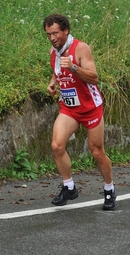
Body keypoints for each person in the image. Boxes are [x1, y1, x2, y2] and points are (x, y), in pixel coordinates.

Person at [43, 14, 116, 210]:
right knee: (57, 146)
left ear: (65, 30)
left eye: (55, 33)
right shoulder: (55, 51)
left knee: (97, 152)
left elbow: (94, 77)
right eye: (49, 34)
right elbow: (57, 69)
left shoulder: (80, 48)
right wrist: (52, 82)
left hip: (90, 108)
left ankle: (109, 189)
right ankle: (69, 187)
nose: (52, 38)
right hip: (69, 108)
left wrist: (74, 67)